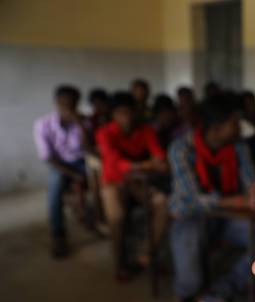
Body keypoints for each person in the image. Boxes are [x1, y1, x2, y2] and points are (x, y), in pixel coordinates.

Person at [168, 93, 255, 302]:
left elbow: (250, 181)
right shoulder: (181, 148)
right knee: (190, 248)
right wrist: (236, 201)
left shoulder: (238, 148)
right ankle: (187, 295)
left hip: (227, 218)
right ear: (216, 127)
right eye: (234, 123)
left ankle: (218, 292)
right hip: (190, 216)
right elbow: (192, 199)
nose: (239, 128)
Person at [96, 92, 168, 281]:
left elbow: (159, 155)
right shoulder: (104, 133)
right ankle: (119, 264)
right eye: (120, 113)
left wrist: (154, 162)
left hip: (137, 182)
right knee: (116, 217)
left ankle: (145, 254)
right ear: (113, 115)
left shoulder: (146, 130)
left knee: (162, 203)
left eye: (129, 112)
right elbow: (115, 163)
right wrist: (147, 164)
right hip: (112, 182)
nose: (126, 117)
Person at [34, 85, 88, 258]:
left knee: (103, 176)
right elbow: (48, 157)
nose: (68, 107)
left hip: (82, 161)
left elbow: (90, 148)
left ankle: (100, 219)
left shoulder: (83, 121)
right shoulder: (43, 124)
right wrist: (72, 174)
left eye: (72, 104)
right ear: (56, 102)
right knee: (55, 187)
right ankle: (58, 235)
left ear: (77, 103)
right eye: (63, 103)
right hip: (59, 164)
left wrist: (80, 124)